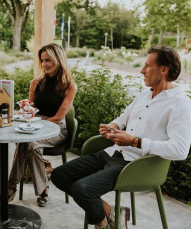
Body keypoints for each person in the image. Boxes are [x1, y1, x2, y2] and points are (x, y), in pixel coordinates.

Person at [51, 46, 191, 229]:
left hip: (136, 164)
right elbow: (122, 119)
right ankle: (111, 214)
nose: (142, 70)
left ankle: (104, 224)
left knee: (82, 189)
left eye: (147, 66)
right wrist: (112, 127)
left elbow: (180, 150)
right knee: (59, 175)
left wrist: (135, 141)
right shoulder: (143, 95)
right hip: (113, 152)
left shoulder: (180, 103)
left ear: (163, 70)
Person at [0, 43, 77, 207]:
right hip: (34, 125)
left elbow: (59, 117)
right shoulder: (36, 83)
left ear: (58, 60)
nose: (44, 64)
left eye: (48, 60)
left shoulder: (70, 86)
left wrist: (35, 125)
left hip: (55, 128)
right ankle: (43, 187)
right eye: (42, 60)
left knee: (29, 142)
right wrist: (20, 114)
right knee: (29, 143)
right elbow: (29, 109)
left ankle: (11, 186)